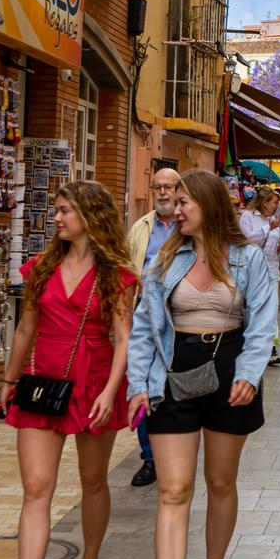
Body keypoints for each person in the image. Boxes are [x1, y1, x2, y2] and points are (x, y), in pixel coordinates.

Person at [127, 170, 277, 559]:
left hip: (230, 369)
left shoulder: (249, 260)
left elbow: (261, 324)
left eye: (185, 202)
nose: (176, 209)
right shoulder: (164, 259)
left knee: (219, 481)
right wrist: (138, 383)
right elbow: (145, 327)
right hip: (174, 371)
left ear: (209, 207)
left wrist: (251, 375)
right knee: (173, 489)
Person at [0, 181, 137, 559]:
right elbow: (24, 331)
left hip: (94, 380)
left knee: (93, 480)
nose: (56, 218)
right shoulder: (40, 268)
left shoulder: (116, 274)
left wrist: (112, 390)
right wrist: (8, 380)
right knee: (36, 488)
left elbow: (123, 339)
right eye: (56, 211)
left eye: (64, 211)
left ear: (91, 217)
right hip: (41, 384)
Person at [122, 166, 182, 488]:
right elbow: (128, 274)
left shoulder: (188, 226)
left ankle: (173, 450)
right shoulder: (141, 228)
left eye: (168, 187)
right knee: (142, 384)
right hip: (145, 317)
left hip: (180, 321)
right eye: (157, 186)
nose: (162, 193)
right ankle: (149, 458)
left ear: (178, 191)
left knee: (169, 389)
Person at [239, 188, 280, 367]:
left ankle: (271, 347)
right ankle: (251, 345)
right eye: (274, 202)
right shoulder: (248, 217)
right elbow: (248, 240)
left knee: (271, 309)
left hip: (271, 268)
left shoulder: (273, 221)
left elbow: (271, 246)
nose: (276, 206)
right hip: (251, 269)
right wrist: (268, 228)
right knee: (252, 307)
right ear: (265, 202)